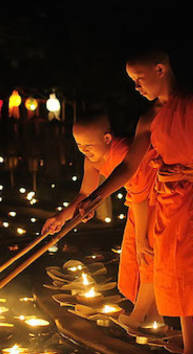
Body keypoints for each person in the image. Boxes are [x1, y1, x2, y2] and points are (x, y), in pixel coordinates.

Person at [77, 50, 193, 354]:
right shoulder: (149, 118)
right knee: (177, 277)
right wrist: (97, 196)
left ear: (160, 69)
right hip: (168, 204)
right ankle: (190, 353)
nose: (135, 86)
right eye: (131, 81)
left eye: (139, 78)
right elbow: (130, 166)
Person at [41, 113, 162, 328]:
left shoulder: (125, 152)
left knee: (147, 254)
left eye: (88, 144)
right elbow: (85, 194)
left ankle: (139, 316)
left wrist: (142, 237)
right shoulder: (91, 160)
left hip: (157, 200)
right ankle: (154, 319)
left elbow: (141, 195)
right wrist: (61, 217)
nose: (83, 150)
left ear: (107, 139)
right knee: (134, 256)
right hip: (138, 203)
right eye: (79, 144)